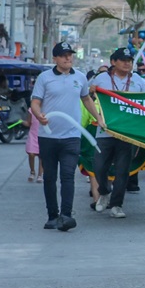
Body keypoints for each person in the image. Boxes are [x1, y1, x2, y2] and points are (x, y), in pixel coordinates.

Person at [30, 41, 99, 232]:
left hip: (71, 136)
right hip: (48, 137)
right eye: (64, 55)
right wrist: (39, 115)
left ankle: (66, 215)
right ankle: (52, 215)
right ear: (55, 58)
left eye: (70, 55)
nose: (68, 58)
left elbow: (86, 99)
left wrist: (98, 118)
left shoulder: (80, 77)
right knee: (50, 177)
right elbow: (35, 102)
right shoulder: (44, 78)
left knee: (68, 176)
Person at [90, 48, 145, 219]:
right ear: (113, 62)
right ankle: (104, 192)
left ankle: (117, 205)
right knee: (99, 167)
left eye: (130, 60)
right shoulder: (101, 79)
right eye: (123, 59)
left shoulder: (138, 81)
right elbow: (87, 95)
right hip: (105, 131)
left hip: (127, 133)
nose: (127, 63)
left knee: (122, 171)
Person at [26, 116, 43, 183]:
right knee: (31, 154)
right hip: (33, 136)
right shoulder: (31, 111)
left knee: (41, 156)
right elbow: (28, 123)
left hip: (42, 135)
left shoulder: (46, 109)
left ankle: (40, 175)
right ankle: (32, 171)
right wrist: (20, 121)